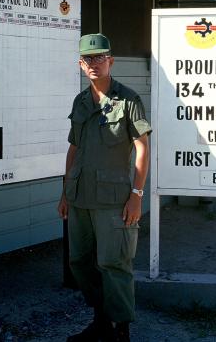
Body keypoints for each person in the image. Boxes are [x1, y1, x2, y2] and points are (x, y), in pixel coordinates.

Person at [58, 33, 152, 342]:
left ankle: (120, 329)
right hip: (80, 197)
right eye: (87, 60)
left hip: (113, 199)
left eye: (100, 58)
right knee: (80, 262)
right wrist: (64, 192)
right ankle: (101, 321)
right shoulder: (80, 101)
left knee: (114, 263)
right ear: (80, 65)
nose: (94, 64)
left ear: (110, 60)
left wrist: (136, 196)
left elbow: (142, 148)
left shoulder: (128, 100)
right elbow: (74, 147)